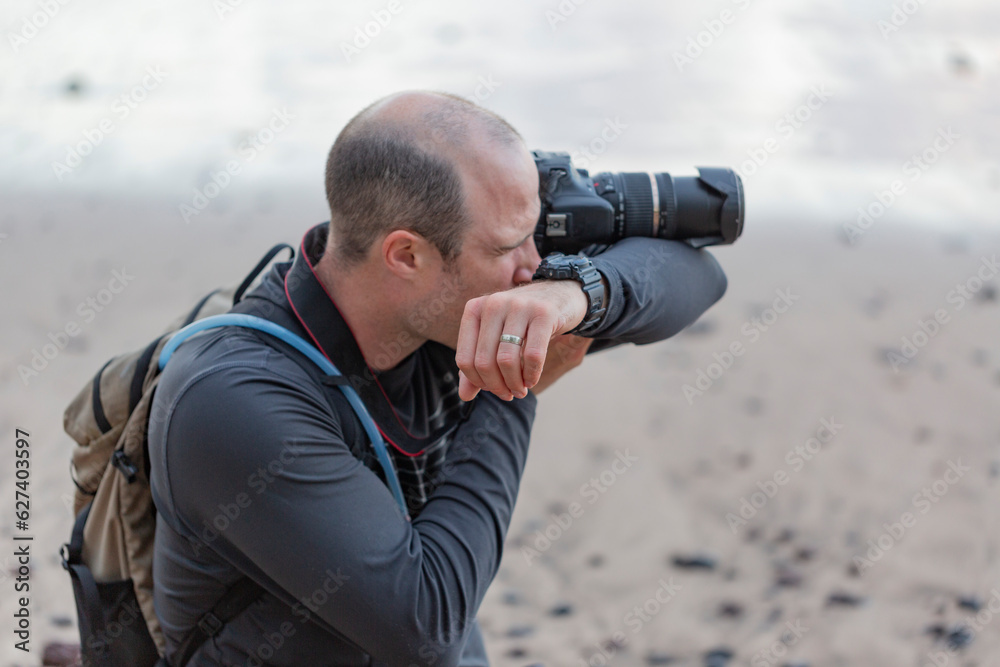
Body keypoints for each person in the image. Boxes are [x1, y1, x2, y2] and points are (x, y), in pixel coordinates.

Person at [148, 90, 728, 666]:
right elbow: (426, 627)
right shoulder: (234, 397)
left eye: (536, 234)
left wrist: (578, 293)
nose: (535, 263)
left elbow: (696, 272)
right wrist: (509, 383)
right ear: (406, 256)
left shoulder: (455, 289)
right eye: (509, 247)